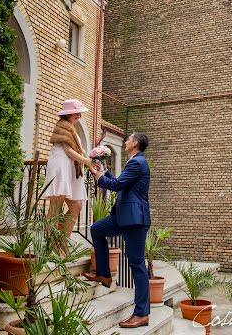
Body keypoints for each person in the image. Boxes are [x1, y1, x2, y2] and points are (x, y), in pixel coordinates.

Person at [84, 132, 151, 329]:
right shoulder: (134, 162)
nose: (126, 141)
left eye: (129, 139)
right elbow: (122, 184)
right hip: (123, 216)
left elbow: (118, 185)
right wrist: (104, 171)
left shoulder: (137, 163)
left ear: (135, 143)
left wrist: (99, 178)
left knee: (137, 265)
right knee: (96, 229)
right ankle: (104, 274)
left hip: (134, 220)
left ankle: (142, 313)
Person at [43, 99, 93, 249]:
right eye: (76, 113)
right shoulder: (63, 127)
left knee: (76, 205)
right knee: (55, 206)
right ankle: (52, 246)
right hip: (60, 166)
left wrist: (92, 161)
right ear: (68, 114)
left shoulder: (71, 128)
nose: (79, 115)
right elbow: (68, 150)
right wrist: (86, 161)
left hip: (70, 167)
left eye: (79, 113)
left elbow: (79, 149)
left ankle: (62, 241)